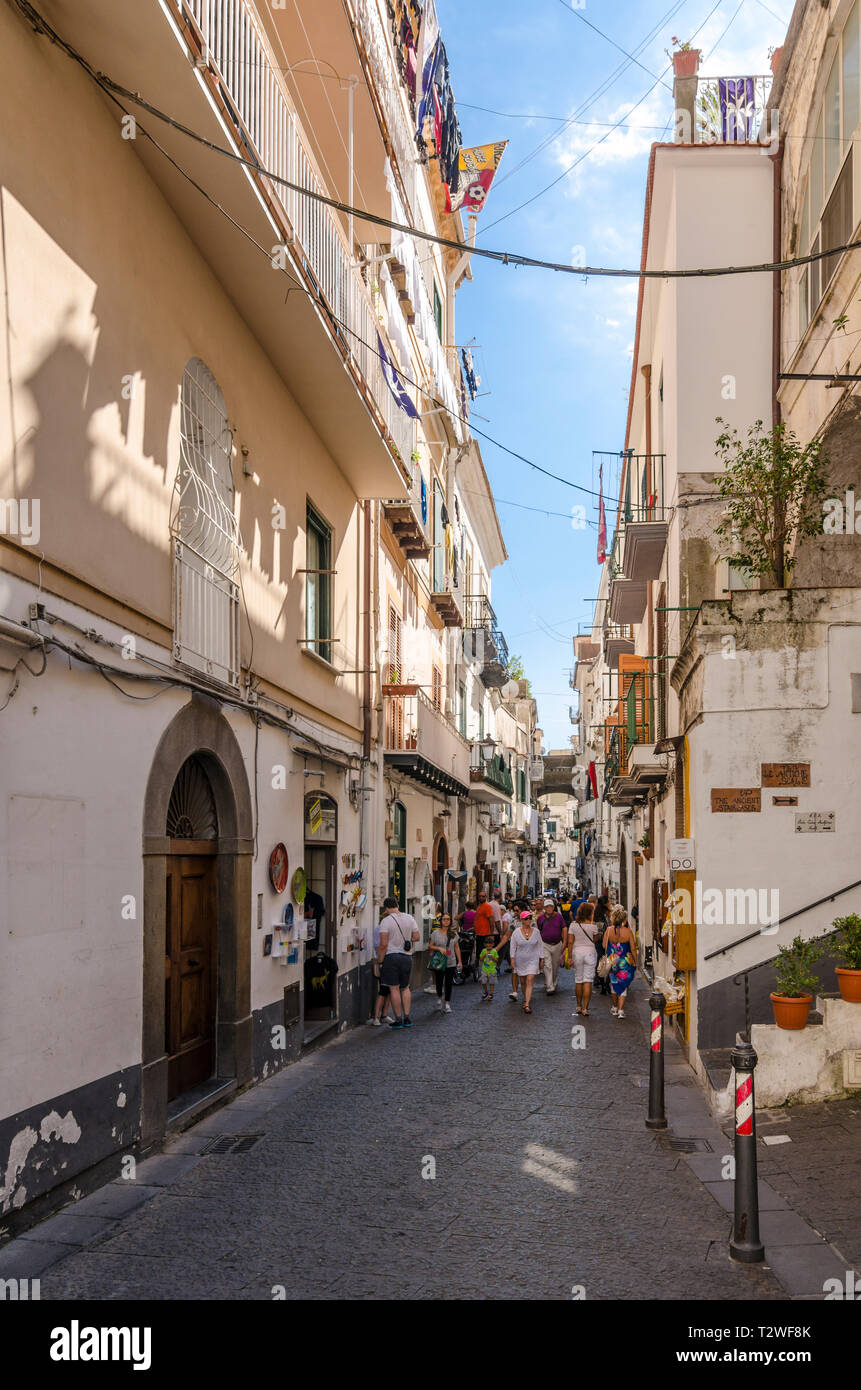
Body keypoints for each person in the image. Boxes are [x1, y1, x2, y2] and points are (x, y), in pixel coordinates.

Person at [377, 897, 420, 1029]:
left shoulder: (385, 921)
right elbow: (417, 937)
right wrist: (407, 940)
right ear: (397, 905)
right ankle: (407, 1018)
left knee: (394, 988)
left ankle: (398, 1019)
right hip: (406, 957)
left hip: (391, 957)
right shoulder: (409, 918)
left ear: (386, 908)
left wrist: (380, 961)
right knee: (405, 987)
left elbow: (383, 944)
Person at [603, 906, 638, 1018]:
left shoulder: (608, 930)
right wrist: (636, 961)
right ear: (624, 919)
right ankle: (621, 1010)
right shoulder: (628, 932)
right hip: (625, 962)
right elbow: (633, 948)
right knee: (623, 985)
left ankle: (614, 1007)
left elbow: (604, 945)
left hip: (612, 961)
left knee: (614, 983)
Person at [569, 902, 600, 1017]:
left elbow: (570, 941)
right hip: (590, 953)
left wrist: (569, 957)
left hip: (577, 953)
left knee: (578, 980)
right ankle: (586, 1008)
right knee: (587, 981)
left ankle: (578, 1006)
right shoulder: (593, 925)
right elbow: (596, 939)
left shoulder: (573, 925)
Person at [510, 910, 543, 1014]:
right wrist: (512, 959)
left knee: (530, 979)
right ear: (522, 920)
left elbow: (540, 946)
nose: (529, 920)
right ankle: (525, 998)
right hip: (520, 960)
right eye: (526, 918)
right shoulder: (516, 932)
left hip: (533, 959)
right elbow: (513, 946)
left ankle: (527, 1004)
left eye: (530, 918)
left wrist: (542, 959)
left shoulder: (536, 932)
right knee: (523, 981)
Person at [428, 912, 461, 1014]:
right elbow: (430, 946)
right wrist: (438, 948)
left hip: (451, 962)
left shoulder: (454, 934)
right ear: (441, 921)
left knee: (448, 984)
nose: (446, 921)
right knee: (439, 982)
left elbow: (456, 947)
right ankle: (439, 997)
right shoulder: (435, 933)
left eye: (448, 919)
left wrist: (459, 961)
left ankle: (447, 1004)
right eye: (444, 919)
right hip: (439, 962)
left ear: (450, 921)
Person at [368, 917, 395, 1026]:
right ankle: (376, 1017)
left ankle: (384, 1015)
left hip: (391, 962)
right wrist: (381, 962)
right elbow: (378, 947)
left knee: (390, 990)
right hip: (383, 962)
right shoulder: (378, 929)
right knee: (383, 991)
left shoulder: (389, 929)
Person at [537, 897, 567, 995]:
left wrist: (565, 942)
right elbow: (538, 931)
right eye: (547, 906)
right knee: (547, 965)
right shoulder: (540, 918)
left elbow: (564, 928)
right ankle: (550, 987)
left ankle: (553, 981)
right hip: (545, 944)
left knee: (555, 965)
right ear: (544, 908)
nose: (549, 908)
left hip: (557, 944)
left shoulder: (558, 917)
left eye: (550, 906)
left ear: (553, 907)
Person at [593, 892, 612, 996]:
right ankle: (606, 983)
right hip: (607, 939)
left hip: (598, 939)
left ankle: (599, 979)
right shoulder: (607, 913)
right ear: (605, 903)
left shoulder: (596, 912)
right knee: (608, 960)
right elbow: (610, 925)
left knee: (600, 959)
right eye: (608, 901)